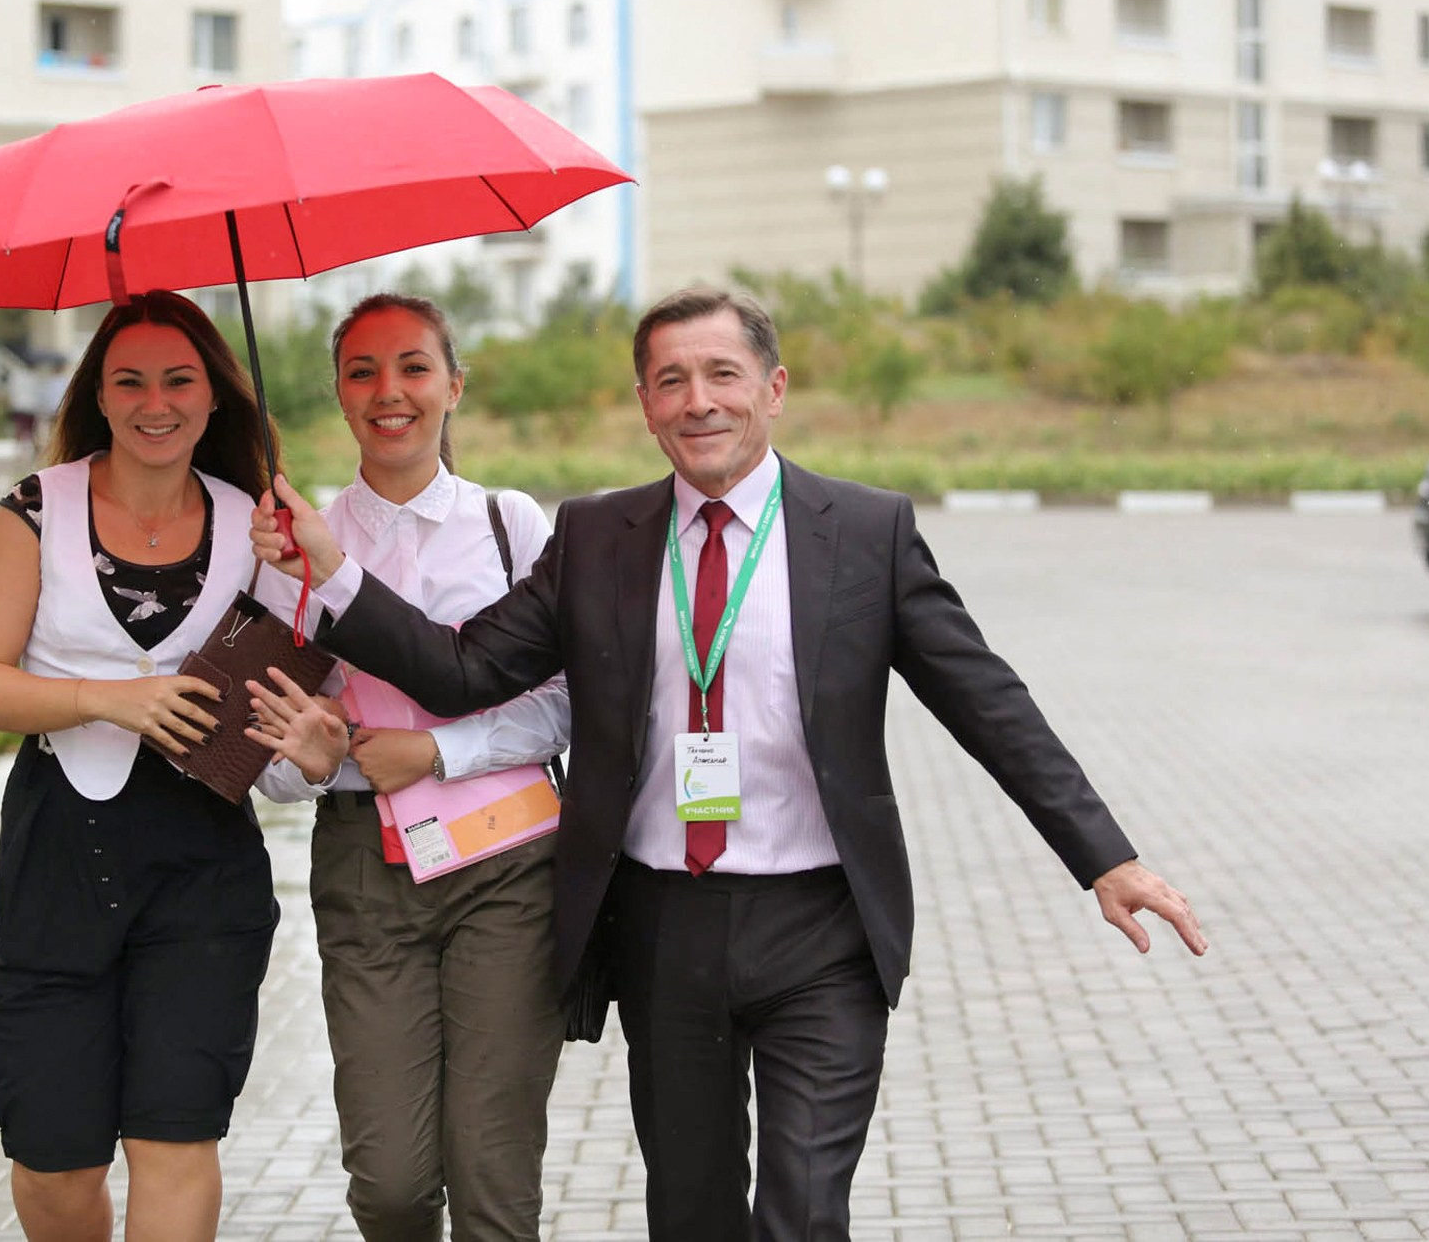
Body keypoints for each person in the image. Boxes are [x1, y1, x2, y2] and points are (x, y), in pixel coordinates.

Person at [250, 287, 1209, 1242]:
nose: (697, 400)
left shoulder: (864, 534)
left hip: (823, 929)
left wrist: (1103, 856)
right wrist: (334, 570)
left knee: (800, 1212)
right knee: (693, 1214)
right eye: (670, 380)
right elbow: (460, 670)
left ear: (774, 388)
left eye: (722, 374)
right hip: (666, 927)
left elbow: (986, 699)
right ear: (645, 404)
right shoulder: (596, 538)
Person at [0, 289, 350, 1242]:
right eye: (129, 380)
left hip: (202, 870)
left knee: (176, 1140)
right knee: (54, 1159)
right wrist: (102, 696)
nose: (155, 401)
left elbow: (294, 718)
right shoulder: (34, 511)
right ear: (99, 394)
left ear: (215, 398)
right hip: (59, 860)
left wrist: (320, 740)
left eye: (180, 379)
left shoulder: (257, 529)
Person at [250, 294, 571, 1241]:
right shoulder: (284, 552)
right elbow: (268, 760)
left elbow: (562, 705)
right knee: (389, 1183)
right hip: (364, 870)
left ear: (454, 385)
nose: (389, 391)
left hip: (508, 867)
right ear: (339, 397)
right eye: (362, 371)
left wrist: (438, 750)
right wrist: (314, 764)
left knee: (492, 1177)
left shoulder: (511, 526)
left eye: (414, 367)